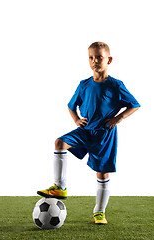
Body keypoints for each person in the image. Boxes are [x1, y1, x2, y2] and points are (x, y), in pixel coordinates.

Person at [37, 42, 140, 225]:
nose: (95, 61)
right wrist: (77, 120)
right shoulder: (84, 85)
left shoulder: (116, 85)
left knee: (102, 174)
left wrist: (118, 119)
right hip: (85, 131)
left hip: (105, 136)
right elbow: (71, 106)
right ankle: (60, 187)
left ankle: (99, 212)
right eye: (91, 58)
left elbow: (134, 104)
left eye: (99, 57)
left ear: (109, 60)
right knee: (59, 143)